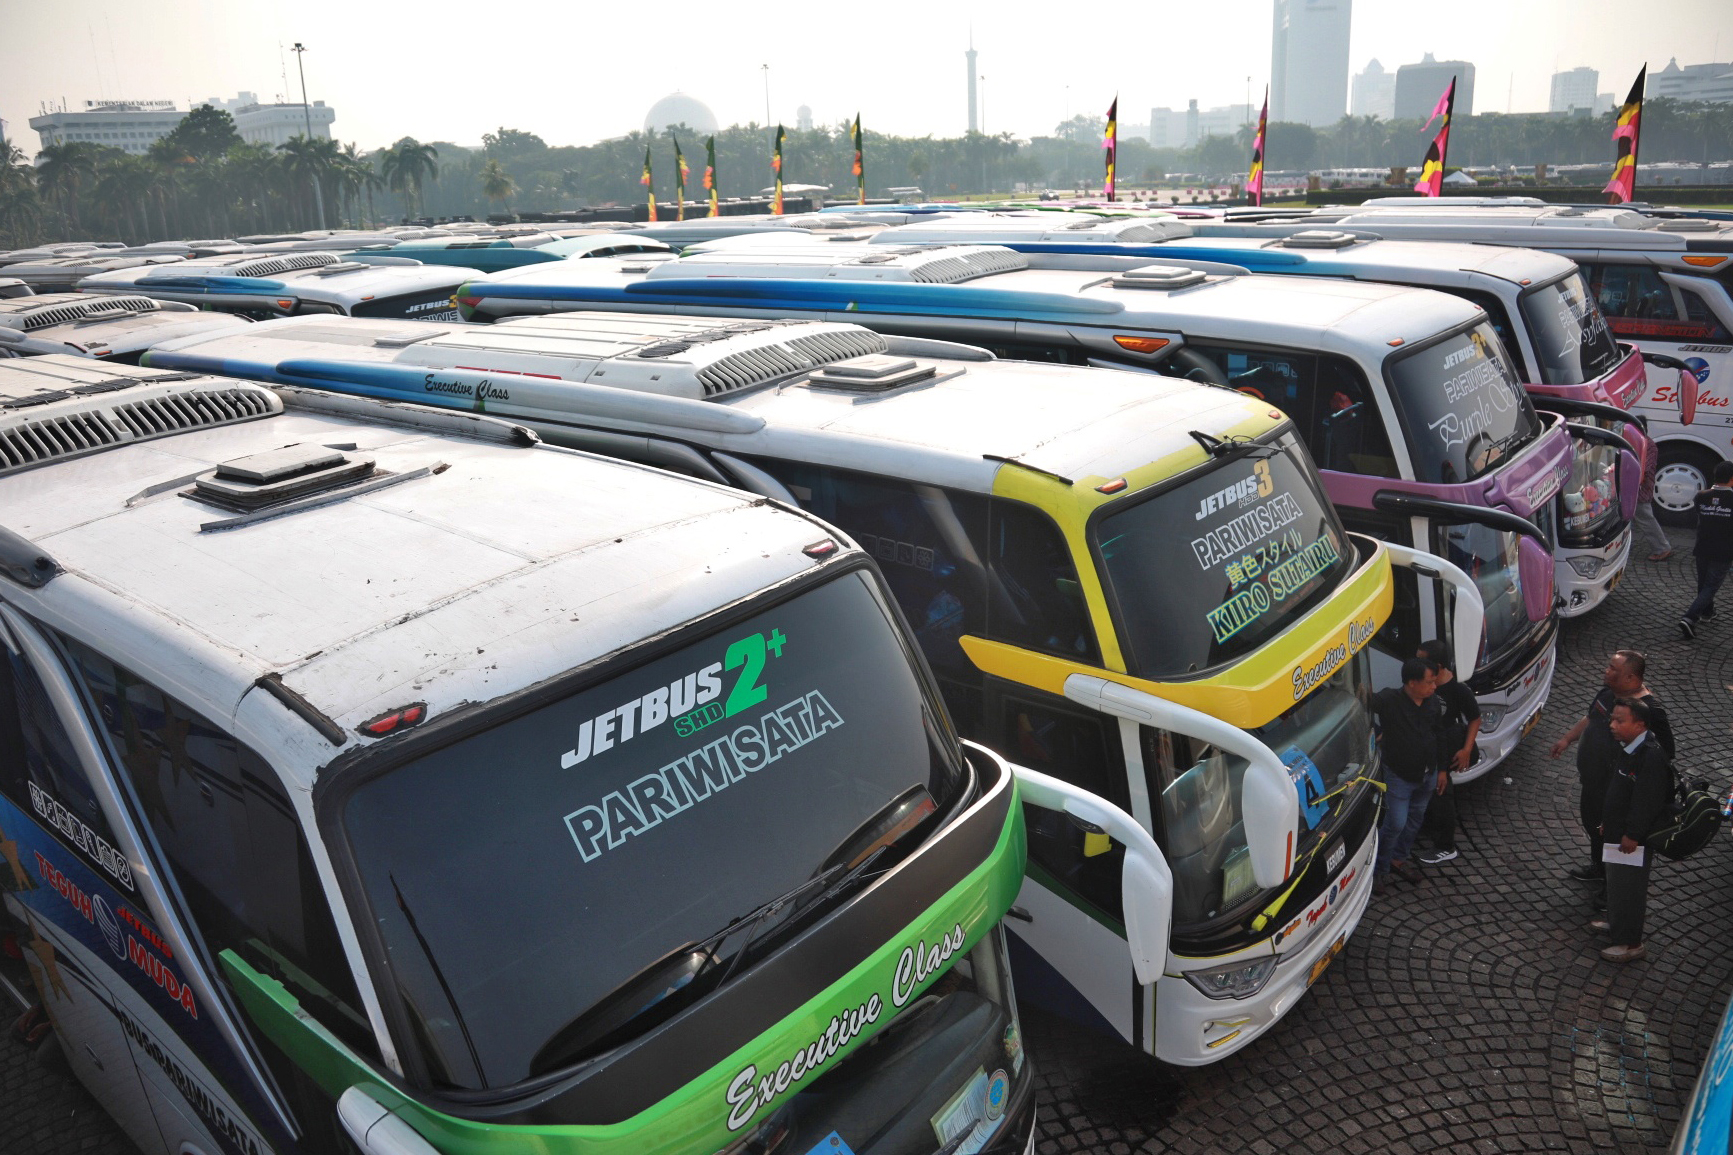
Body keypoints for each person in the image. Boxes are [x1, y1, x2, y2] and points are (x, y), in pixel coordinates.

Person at [1548, 650, 1674, 883]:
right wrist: (1567, 739)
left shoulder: (1650, 711)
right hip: (1594, 783)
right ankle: (1599, 867)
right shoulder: (1609, 693)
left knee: (1616, 837)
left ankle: (1614, 889)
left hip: (1619, 791)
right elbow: (1591, 718)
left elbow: (1664, 753)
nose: (1607, 671)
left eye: (1614, 669)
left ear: (1631, 678)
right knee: (1595, 827)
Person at [1590, 698, 1672, 963]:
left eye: (1620, 721)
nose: (1612, 725)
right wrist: (1608, 821)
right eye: (1612, 719)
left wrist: (1633, 834)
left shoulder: (1650, 756)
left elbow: (1646, 802)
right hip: (1618, 832)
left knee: (1630, 890)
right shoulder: (1629, 747)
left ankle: (1631, 943)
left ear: (1640, 725)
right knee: (1617, 884)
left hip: (1631, 839)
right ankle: (1617, 924)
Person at [1371, 656, 1442, 888]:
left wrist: (1441, 770)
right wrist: (1375, 733)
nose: (1434, 686)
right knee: (1395, 824)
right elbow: (1362, 704)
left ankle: (1398, 859)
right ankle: (1380, 867)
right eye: (1430, 682)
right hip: (1399, 777)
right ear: (1412, 682)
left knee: (1414, 821)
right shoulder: (1390, 700)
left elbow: (1438, 734)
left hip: (1427, 775)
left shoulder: (1432, 703)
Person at [1414, 640, 1481, 865]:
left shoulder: (1457, 689)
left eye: (1421, 659)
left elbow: (1475, 717)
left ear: (1438, 665)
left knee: (1442, 792)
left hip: (1446, 745)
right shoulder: (1426, 681)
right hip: (1428, 744)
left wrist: (1466, 749)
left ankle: (1445, 845)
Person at [1680, 459, 1733, 639]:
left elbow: (1700, 516)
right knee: (1711, 586)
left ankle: (1708, 612)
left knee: (1703, 583)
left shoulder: (1701, 496)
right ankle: (1689, 617)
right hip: (1723, 551)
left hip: (1702, 547)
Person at [1634, 436, 1672, 561]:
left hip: (1639, 489)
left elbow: (1644, 469)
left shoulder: (1647, 445)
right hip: (1637, 487)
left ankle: (1662, 548)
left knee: (1644, 517)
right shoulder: (1644, 442)